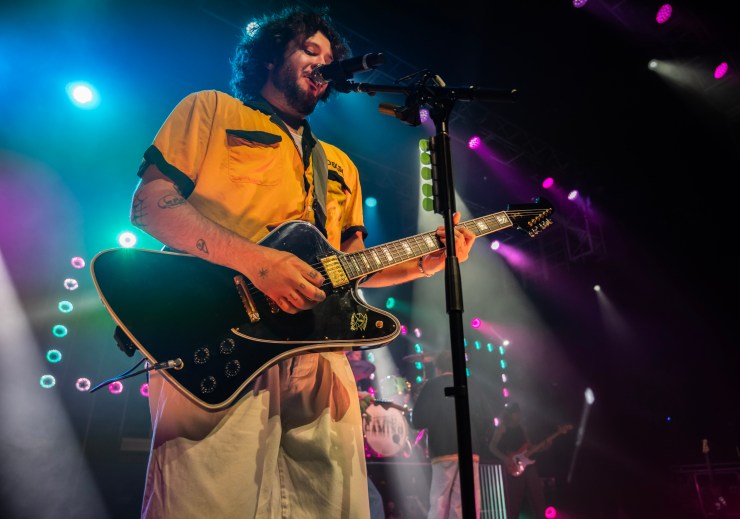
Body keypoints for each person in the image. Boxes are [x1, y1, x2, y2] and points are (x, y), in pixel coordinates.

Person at [129, 6, 476, 518]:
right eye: (309, 50)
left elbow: (350, 268)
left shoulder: (341, 164)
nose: (323, 62)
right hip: (219, 339)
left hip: (320, 355)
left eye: (329, 57)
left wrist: (428, 260)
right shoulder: (211, 109)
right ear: (270, 58)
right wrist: (259, 264)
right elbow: (150, 206)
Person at [411, 349, 490, 519]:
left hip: (443, 449)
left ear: (438, 368)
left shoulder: (431, 386)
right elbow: (487, 419)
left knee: (439, 502)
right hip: (471, 450)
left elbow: (417, 420)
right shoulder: (471, 385)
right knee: (466, 503)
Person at [488, 403, 550, 519]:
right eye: (517, 413)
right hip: (513, 465)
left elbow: (528, 446)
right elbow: (492, 447)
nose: (519, 415)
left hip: (528, 464)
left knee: (537, 495)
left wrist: (542, 447)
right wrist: (505, 459)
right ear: (510, 414)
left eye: (520, 412)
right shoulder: (502, 427)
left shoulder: (522, 427)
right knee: (514, 499)